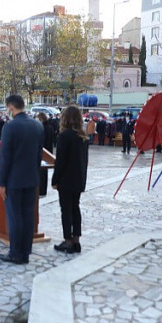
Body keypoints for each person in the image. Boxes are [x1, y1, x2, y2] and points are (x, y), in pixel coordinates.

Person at [0, 95, 44, 265]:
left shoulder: (10, 127)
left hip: (14, 181)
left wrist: (1, 183)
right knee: (27, 216)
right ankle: (25, 250)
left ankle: (16, 253)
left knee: (15, 217)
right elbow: (39, 154)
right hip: (31, 179)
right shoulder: (37, 125)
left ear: (11, 107)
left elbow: (5, 158)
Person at [51, 106, 89, 254]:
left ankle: (68, 240)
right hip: (78, 178)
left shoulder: (65, 136)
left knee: (65, 210)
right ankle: (76, 240)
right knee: (75, 208)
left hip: (66, 179)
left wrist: (55, 179)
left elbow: (61, 161)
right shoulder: (83, 136)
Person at [36, 113, 53, 196]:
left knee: (41, 173)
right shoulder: (50, 127)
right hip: (48, 151)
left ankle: (41, 190)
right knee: (44, 173)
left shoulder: (42, 128)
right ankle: (43, 190)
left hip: (43, 152)